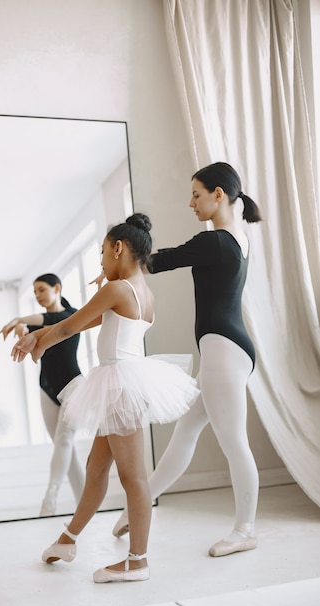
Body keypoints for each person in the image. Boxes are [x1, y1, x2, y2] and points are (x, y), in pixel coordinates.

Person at [11, 213, 199, 583]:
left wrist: (35, 340)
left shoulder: (117, 290)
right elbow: (83, 320)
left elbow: (68, 325)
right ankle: (68, 539)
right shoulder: (141, 292)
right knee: (97, 471)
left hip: (120, 387)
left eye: (101, 254)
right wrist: (42, 336)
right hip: (125, 384)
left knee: (134, 479)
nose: (99, 262)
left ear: (118, 248)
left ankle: (138, 561)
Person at [112, 162, 262, 558]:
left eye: (197, 194)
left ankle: (245, 529)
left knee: (233, 442)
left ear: (218, 194)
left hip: (224, 350)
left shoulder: (215, 242)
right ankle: (138, 505)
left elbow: (162, 260)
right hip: (227, 348)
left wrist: (118, 265)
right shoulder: (238, 238)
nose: (190, 202)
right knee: (187, 431)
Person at [0, 274, 85, 516]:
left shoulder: (72, 315)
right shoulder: (36, 324)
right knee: (65, 448)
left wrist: (19, 319)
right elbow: (29, 331)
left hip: (74, 386)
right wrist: (21, 328)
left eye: (41, 290)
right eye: (34, 292)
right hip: (46, 388)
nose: (37, 295)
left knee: (65, 441)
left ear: (57, 288)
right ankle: (86, 506)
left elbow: (55, 320)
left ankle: (51, 495)